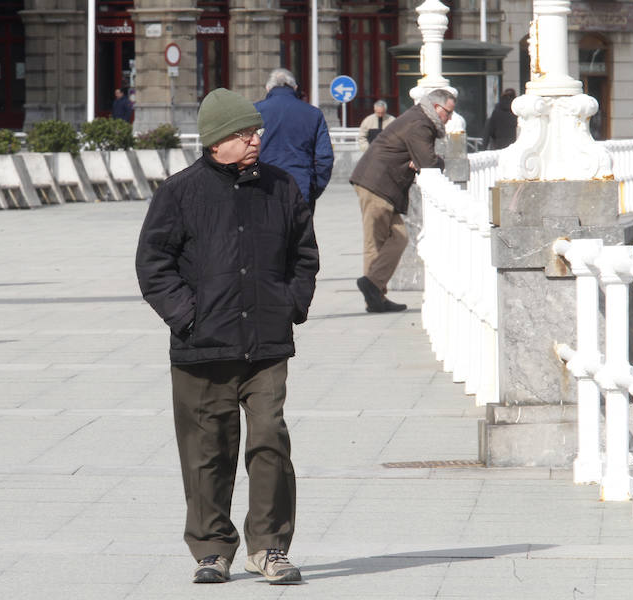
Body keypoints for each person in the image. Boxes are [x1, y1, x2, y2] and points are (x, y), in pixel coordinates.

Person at [136, 87, 318, 585]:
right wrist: (187, 318)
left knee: (269, 443)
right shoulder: (180, 192)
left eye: (255, 130)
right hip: (201, 349)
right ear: (216, 141)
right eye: (243, 133)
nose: (254, 138)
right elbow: (154, 265)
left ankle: (270, 547)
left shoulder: (281, 187)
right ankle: (212, 549)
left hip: (266, 345)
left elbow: (304, 256)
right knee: (206, 452)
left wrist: (289, 308)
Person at [349, 88, 456, 313]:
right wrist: (439, 161)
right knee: (376, 243)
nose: (450, 118)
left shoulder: (419, 118)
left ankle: (373, 287)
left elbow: (420, 158)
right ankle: (374, 295)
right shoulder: (421, 123)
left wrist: (419, 159)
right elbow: (427, 161)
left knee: (399, 238)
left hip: (382, 185)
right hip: (376, 183)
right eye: (448, 112)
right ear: (437, 108)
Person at [254, 68, 333, 213]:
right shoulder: (313, 114)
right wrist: (314, 187)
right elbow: (324, 157)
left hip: (262, 188)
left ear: (268, 88)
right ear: (295, 87)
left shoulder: (254, 112)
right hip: (300, 187)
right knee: (299, 235)